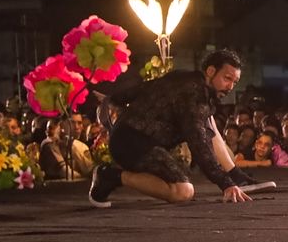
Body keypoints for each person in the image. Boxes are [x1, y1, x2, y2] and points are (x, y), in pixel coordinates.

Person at [85, 49, 258, 208]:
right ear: (211, 71)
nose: (230, 87)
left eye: (234, 82)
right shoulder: (195, 96)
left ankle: (235, 174)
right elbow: (199, 144)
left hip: (131, 138)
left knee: (183, 183)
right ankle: (110, 176)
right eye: (227, 79)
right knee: (183, 191)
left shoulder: (184, 77)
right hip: (131, 142)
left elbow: (144, 88)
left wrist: (114, 99)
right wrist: (226, 184)